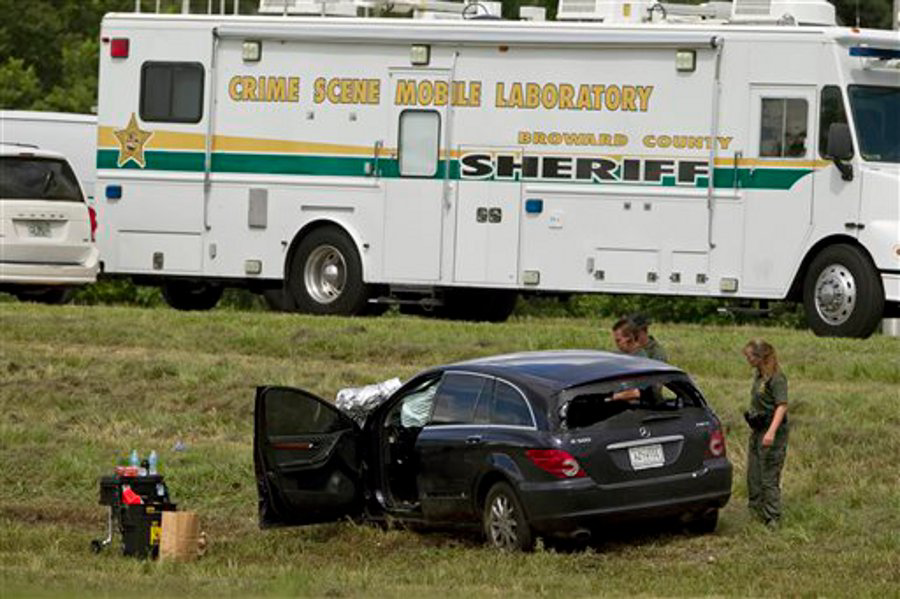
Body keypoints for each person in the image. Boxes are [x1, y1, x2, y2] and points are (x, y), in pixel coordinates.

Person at [742, 339, 789, 527]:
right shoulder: (759, 375)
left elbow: (782, 406)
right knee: (754, 474)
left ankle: (772, 518)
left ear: (760, 357)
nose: (747, 359)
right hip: (757, 428)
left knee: (769, 475)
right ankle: (755, 512)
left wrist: (771, 432)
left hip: (771, 431)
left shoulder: (776, 378)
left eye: (750, 356)